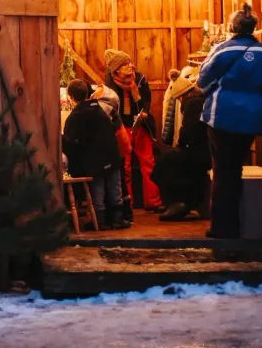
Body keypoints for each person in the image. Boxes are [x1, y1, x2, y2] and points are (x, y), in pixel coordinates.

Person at [196, 3, 262, 239]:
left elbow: (202, 80)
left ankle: (223, 227)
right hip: (252, 116)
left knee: (222, 171)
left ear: (232, 26)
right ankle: (240, 223)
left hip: (222, 114)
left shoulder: (221, 50)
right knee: (236, 169)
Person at [62, 79, 130, 229]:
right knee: (115, 188)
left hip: (94, 160)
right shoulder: (99, 109)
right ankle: (118, 219)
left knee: (98, 189)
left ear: (71, 97)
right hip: (112, 155)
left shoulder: (75, 116)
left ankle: (100, 221)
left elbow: (70, 141)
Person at [104, 49, 163, 213]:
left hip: (141, 124)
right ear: (116, 70)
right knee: (125, 166)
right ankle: (126, 203)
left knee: (148, 162)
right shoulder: (109, 83)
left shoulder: (140, 78)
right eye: (125, 64)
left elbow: (147, 100)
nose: (130, 66)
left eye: (129, 62)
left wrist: (142, 108)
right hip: (122, 126)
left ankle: (153, 201)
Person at [152, 77, 211, 222]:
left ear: (182, 94)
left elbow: (188, 130)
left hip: (201, 152)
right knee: (169, 158)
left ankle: (178, 202)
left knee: (166, 160)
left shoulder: (193, 103)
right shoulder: (199, 100)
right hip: (205, 150)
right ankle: (176, 202)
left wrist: (180, 143)